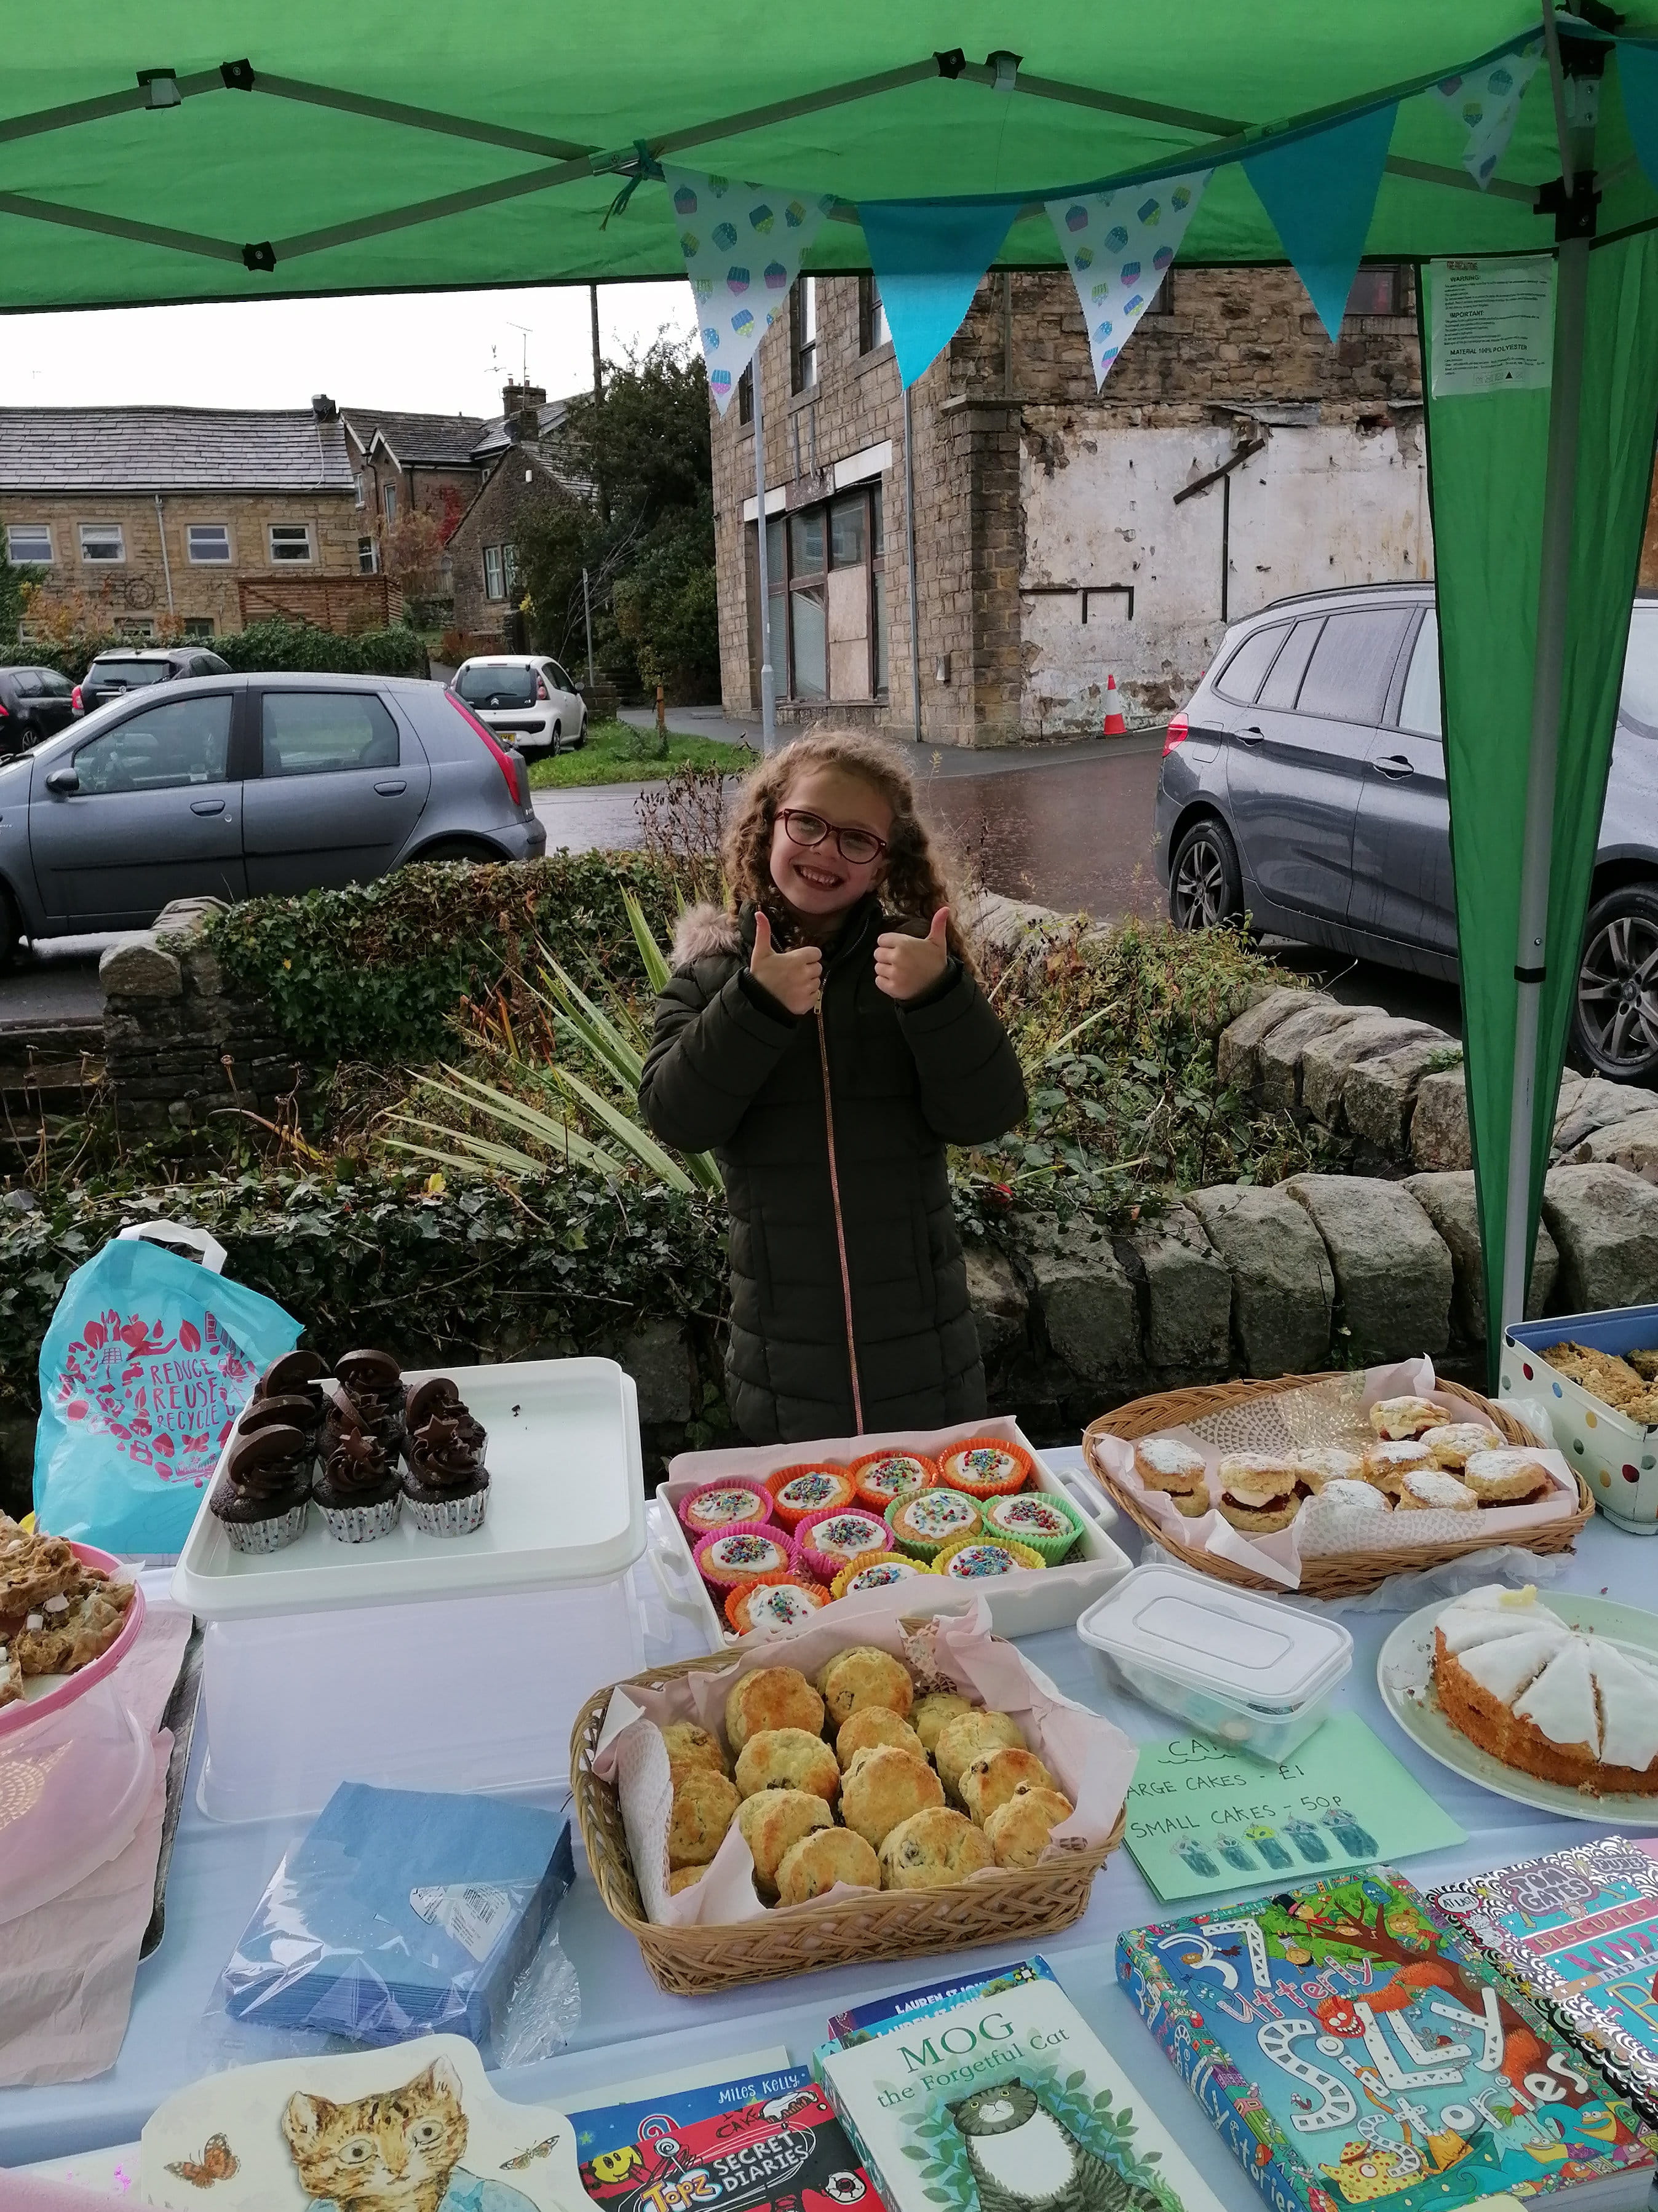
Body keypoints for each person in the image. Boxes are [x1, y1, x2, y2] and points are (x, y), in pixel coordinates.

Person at [638, 731, 1026, 1445]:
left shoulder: (908, 967)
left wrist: (938, 996)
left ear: (887, 857)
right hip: (784, 1371)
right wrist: (753, 1004)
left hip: (925, 1366)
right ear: (769, 823)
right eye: (807, 824)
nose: (824, 852)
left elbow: (987, 1111)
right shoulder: (711, 978)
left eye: (857, 840)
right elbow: (676, 1116)